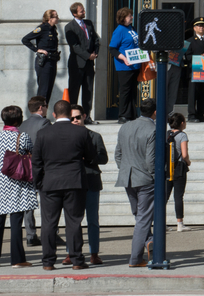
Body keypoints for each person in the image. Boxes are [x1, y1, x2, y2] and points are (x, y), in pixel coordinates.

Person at [32, 99, 93, 270]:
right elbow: (91, 155)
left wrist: (38, 182)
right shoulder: (81, 132)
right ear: (69, 113)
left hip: (50, 182)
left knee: (49, 223)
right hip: (74, 181)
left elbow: (36, 162)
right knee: (74, 222)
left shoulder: (43, 133)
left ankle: (48, 261)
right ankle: (76, 260)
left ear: (54, 114)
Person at [0, 105, 36, 269]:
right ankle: (17, 259)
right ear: (19, 120)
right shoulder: (23, 136)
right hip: (17, 181)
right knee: (16, 221)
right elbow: (32, 152)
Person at [115, 97, 157, 267]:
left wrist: (125, 169)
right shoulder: (152, 129)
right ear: (155, 112)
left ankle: (149, 241)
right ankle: (136, 257)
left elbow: (118, 154)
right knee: (143, 218)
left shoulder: (125, 126)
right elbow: (151, 160)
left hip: (128, 177)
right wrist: (153, 175)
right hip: (145, 178)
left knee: (139, 215)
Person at [68, 105, 106, 264]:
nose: (75, 120)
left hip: (90, 180)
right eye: (71, 118)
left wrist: (88, 158)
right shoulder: (66, 136)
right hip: (72, 181)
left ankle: (94, 253)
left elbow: (103, 158)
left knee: (92, 220)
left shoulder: (95, 136)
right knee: (72, 221)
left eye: (77, 117)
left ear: (84, 116)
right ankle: (71, 253)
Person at [19, 97, 51, 247]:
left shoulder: (22, 124)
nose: (46, 109)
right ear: (40, 108)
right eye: (45, 106)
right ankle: (49, 232)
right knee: (47, 201)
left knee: (28, 202)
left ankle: (31, 234)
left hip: (25, 166)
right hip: (41, 166)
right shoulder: (44, 122)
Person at [64, 3, 98, 121]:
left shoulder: (88, 23)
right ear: (74, 13)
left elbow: (96, 39)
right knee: (74, 90)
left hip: (89, 64)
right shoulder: (69, 27)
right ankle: (73, 116)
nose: (84, 12)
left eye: (83, 10)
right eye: (81, 11)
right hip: (76, 64)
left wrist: (95, 53)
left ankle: (86, 116)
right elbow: (75, 46)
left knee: (88, 91)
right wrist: (88, 56)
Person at [22, 10, 62, 108]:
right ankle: (39, 114)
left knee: (49, 89)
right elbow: (25, 39)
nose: (58, 18)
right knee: (43, 90)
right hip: (44, 62)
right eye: (56, 16)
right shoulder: (42, 28)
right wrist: (37, 50)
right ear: (50, 18)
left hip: (52, 61)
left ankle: (43, 114)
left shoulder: (53, 29)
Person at [110, 8, 141, 123]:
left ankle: (132, 114)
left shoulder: (131, 28)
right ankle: (123, 115)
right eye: (129, 16)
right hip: (124, 66)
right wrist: (123, 58)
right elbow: (112, 49)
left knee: (133, 90)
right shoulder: (119, 30)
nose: (132, 17)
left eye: (131, 15)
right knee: (125, 90)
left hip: (135, 65)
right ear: (123, 18)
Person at [186, 18, 204, 122]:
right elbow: (187, 56)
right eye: (199, 26)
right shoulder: (189, 41)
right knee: (193, 94)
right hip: (194, 71)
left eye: (203, 25)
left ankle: (201, 114)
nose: (201, 27)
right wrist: (198, 57)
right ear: (194, 28)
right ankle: (192, 115)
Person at [166, 113, 190, 231]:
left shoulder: (166, 134)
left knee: (164, 197)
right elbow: (184, 154)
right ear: (181, 123)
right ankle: (179, 223)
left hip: (167, 168)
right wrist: (188, 161)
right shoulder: (182, 136)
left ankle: (161, 222)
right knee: (178, 196)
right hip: (179, 167)